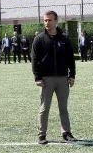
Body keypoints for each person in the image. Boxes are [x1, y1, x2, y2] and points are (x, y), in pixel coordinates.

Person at [31, 10, 77, 145]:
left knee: (63, 107)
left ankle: (66, 133)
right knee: (44, 107)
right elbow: (34, 59)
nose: (47, 23)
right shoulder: (39, 39)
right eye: (45, 20)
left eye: (50, 20)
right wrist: (37, 77)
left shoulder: (64, 38)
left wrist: (72, 75)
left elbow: (70, 58)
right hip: (46, 80)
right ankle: (41, 135)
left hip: (63, 78)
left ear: (56, 21)